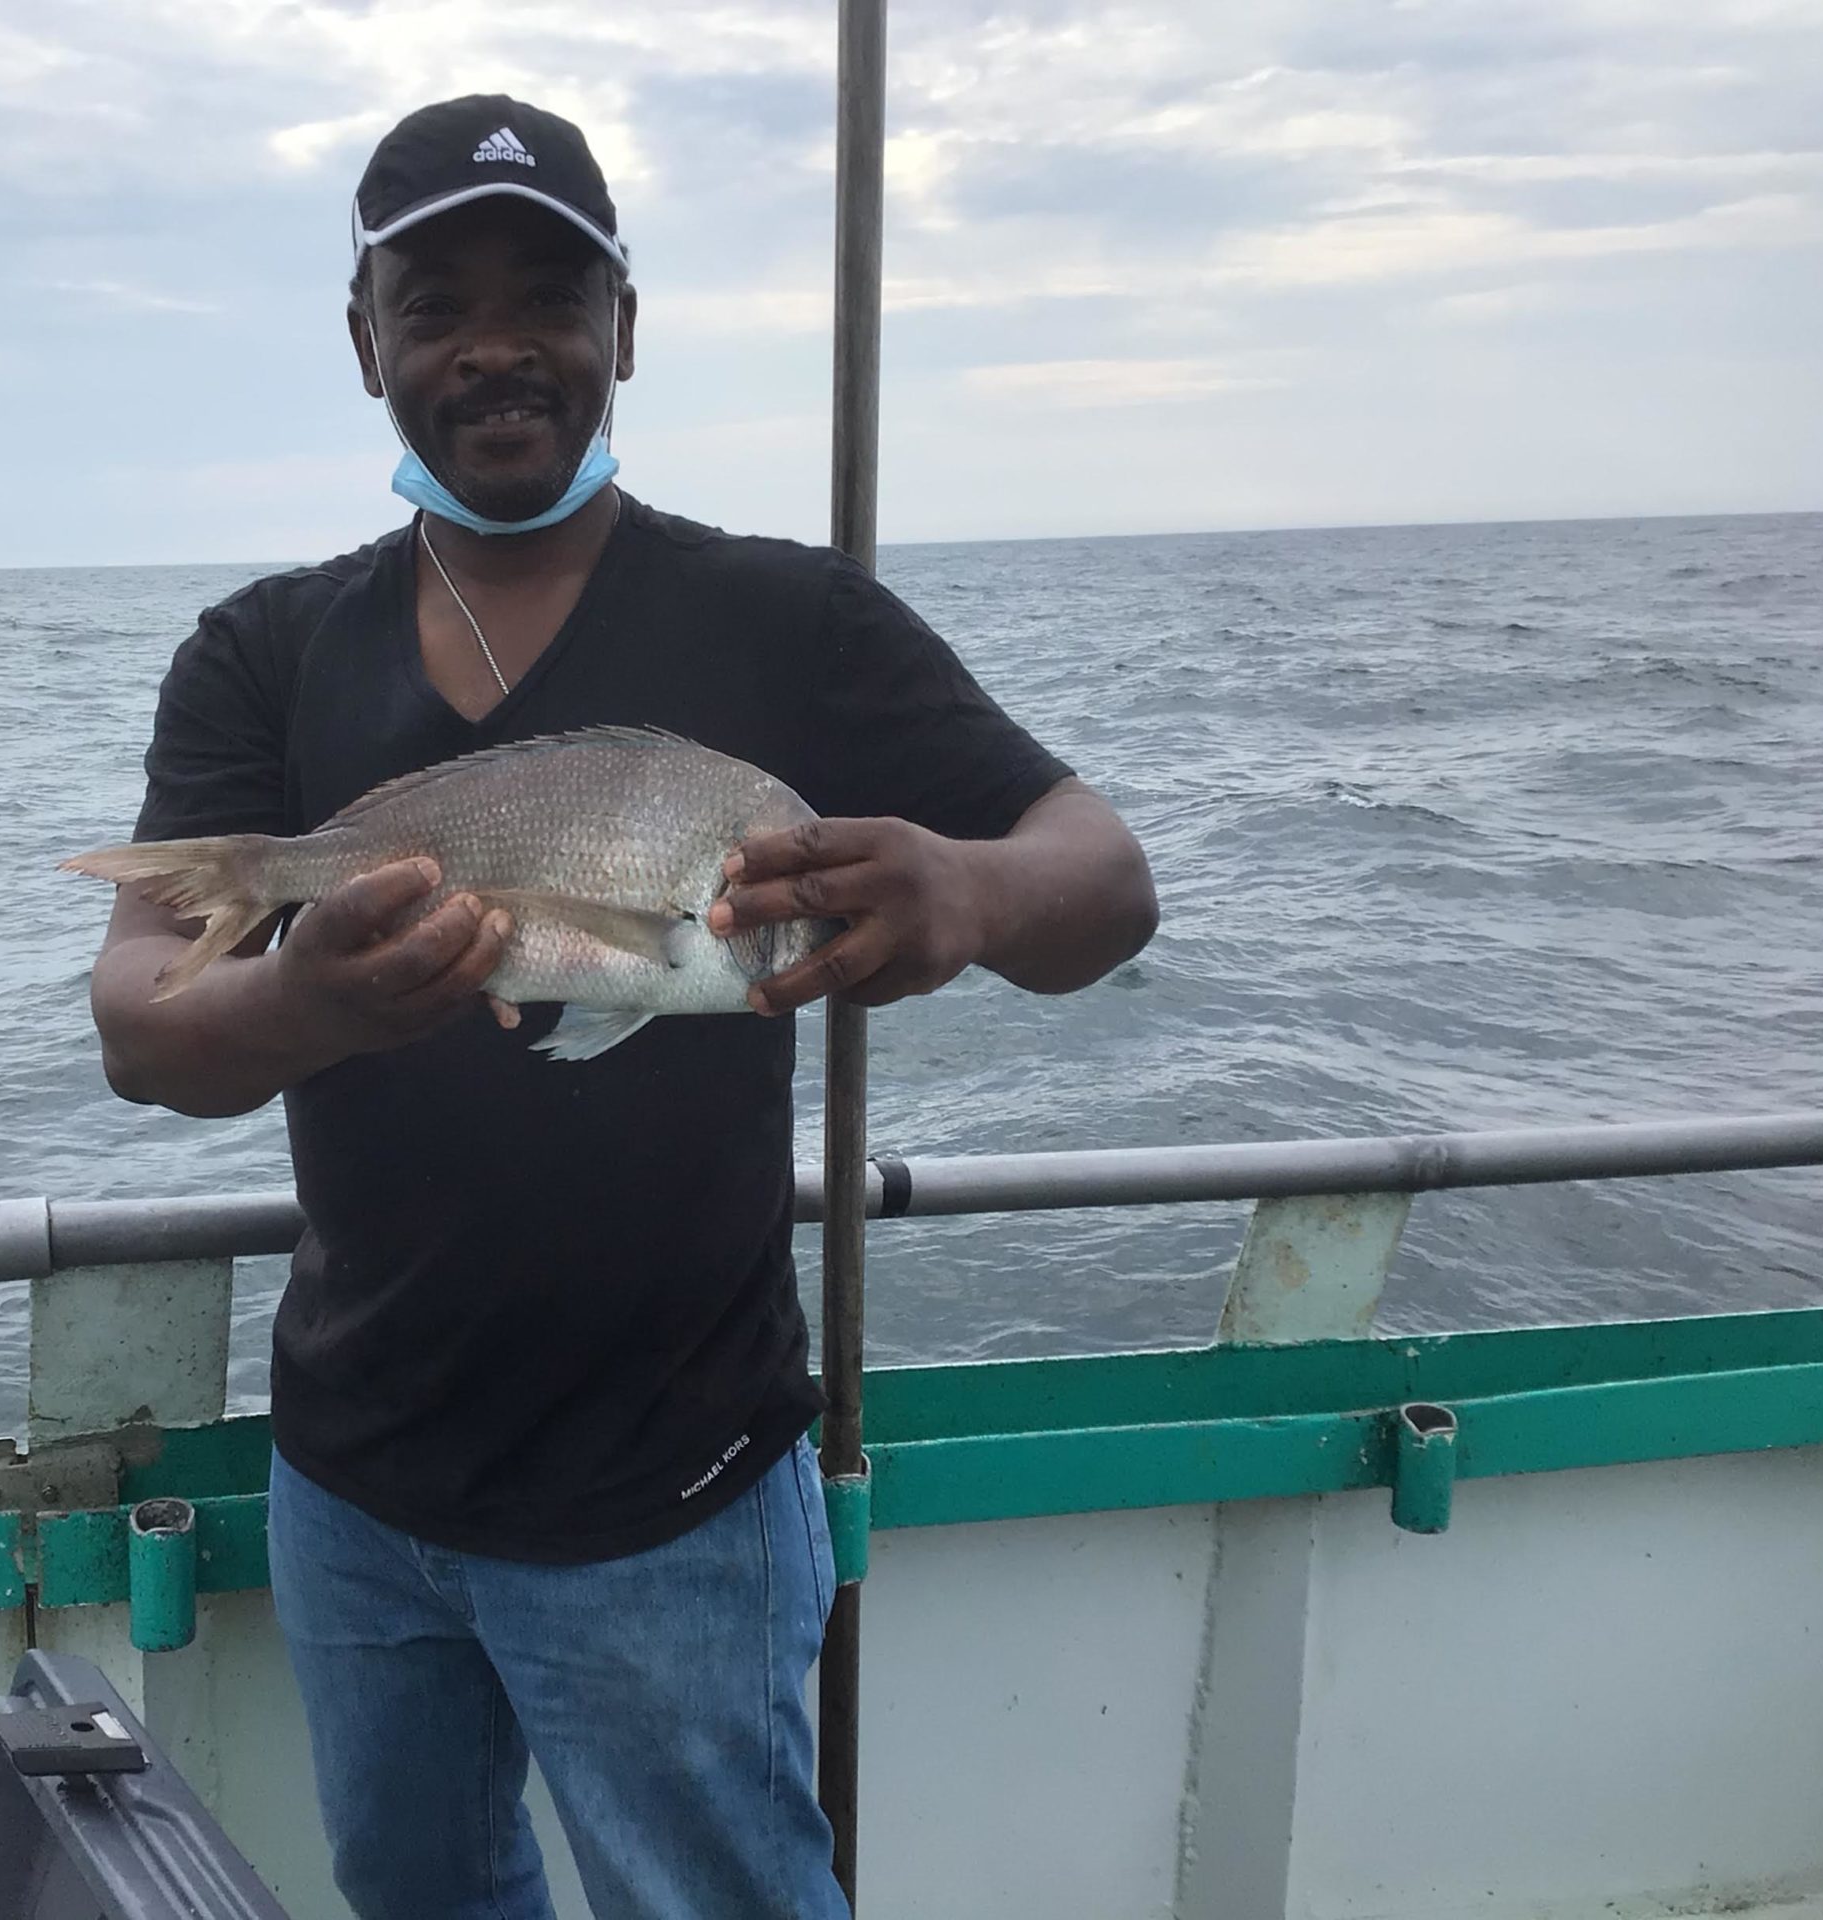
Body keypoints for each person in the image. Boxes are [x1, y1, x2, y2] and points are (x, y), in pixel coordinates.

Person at [89, 94, 1157, 1920]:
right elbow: (141, 1027)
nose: (495, 346)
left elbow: (1106, 880)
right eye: (433, 304)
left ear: (625, 333)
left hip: (682, 1492)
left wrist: (968, 894)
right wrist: (322, 1007)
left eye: (548, 298)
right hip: (352, 1486)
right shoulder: (261, 653)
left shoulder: (787, 623)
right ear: (367, 347)